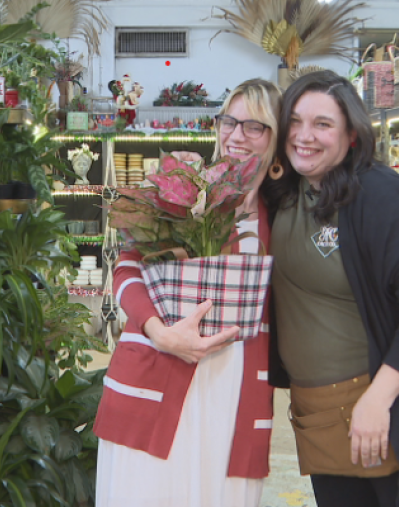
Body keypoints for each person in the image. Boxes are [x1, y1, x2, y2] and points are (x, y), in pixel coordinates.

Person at [261, 70, 399, 507]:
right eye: (296, 122)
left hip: (387, 411)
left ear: (352, 134)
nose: (304, 136)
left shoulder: (385, 199)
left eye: (322, 124)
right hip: (319, 416)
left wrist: (377, 401)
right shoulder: (286, 192)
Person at [94, 79, 282, 507]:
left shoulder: (286, 214)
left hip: (232, 392)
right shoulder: (184, 190)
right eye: (230, 121)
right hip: (158, 373)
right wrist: (160, 332)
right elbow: (126, 267)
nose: (236, 135)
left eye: (255, 126)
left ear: (277, 136)